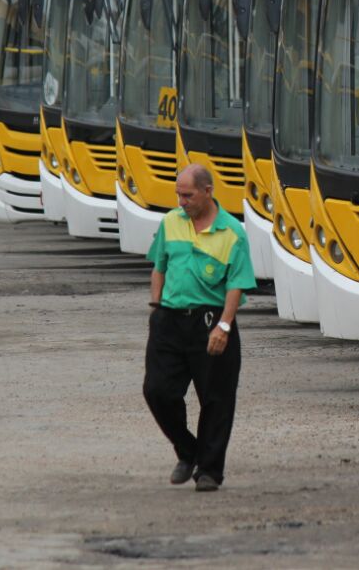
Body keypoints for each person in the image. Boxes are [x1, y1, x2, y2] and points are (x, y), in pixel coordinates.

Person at [143, 163, 256, 492]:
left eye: (188, 195)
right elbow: (158, 267)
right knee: (157, 390)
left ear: (208, 192)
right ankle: (187, 449)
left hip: (211, 320)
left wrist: (224, 325)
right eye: (178, 195)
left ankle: (209, 470)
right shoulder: (170, 223)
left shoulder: (232, 233)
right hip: (169, 318)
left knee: (216, 399)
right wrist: (156, 307)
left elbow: (237, 284)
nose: (182, 201)